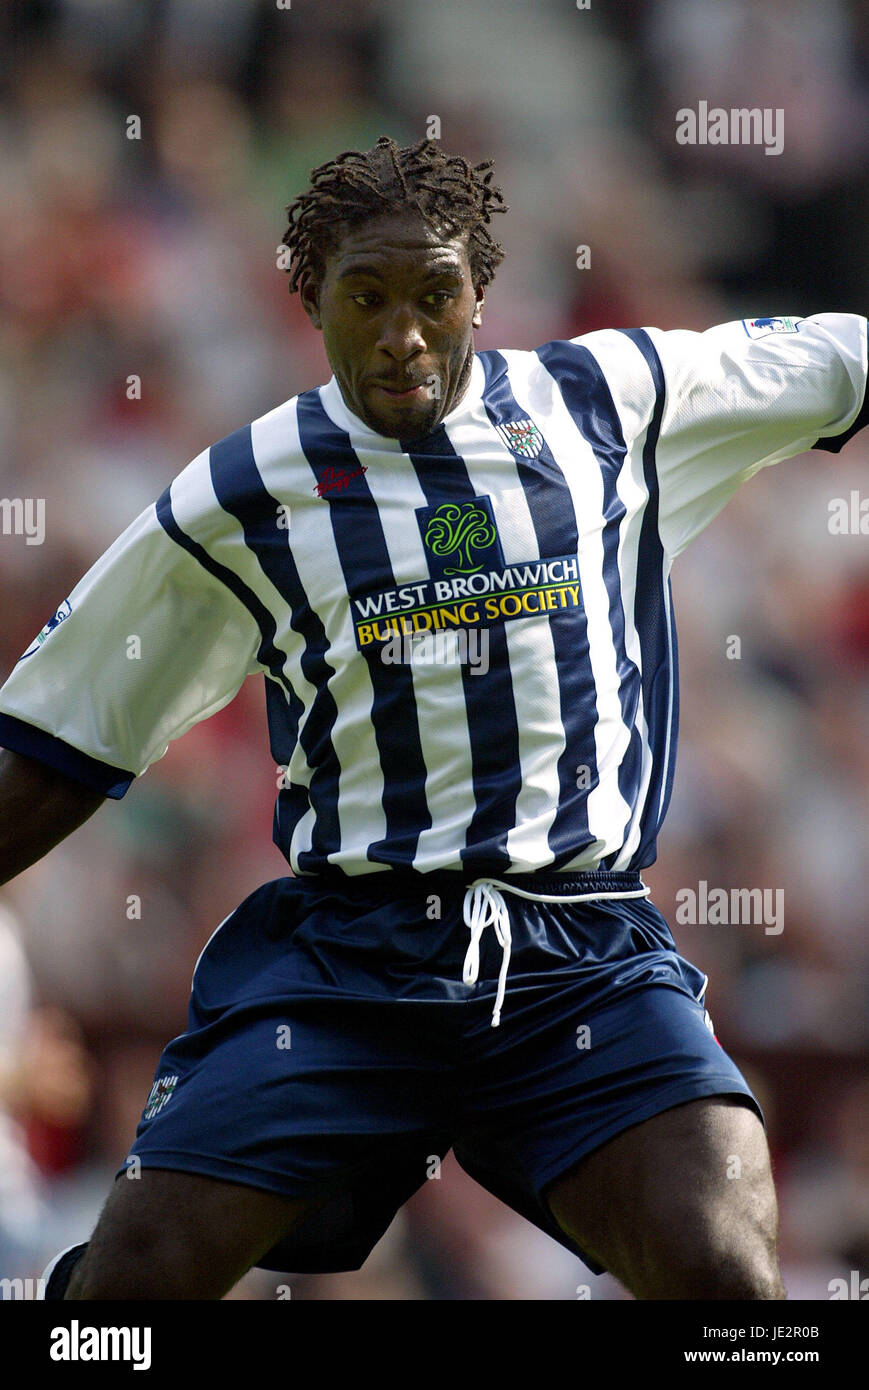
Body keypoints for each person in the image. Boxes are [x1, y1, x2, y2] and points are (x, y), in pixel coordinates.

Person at [1, 136, 865, 1301]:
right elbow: (61, 743)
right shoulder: (240, 494)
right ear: (309, 298)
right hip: (348, 968)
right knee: (131, 1285)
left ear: (477, 296)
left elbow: (840, 362)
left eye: (433, 295)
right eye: (366, 296)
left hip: (578, 958)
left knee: (723, 1276)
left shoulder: (613, 402)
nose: (402, 332)